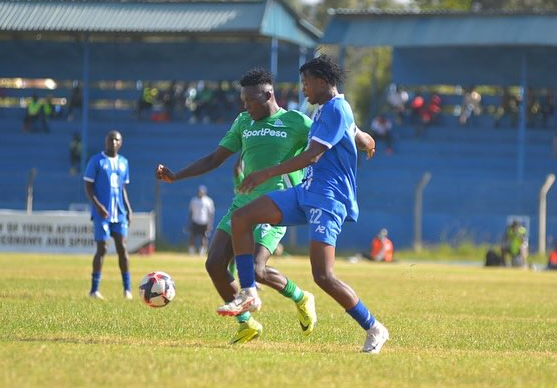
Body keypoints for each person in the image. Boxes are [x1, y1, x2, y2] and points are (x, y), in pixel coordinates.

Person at [218, 55, 389, 354]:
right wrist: (366, 140)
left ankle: (374, 326)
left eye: (306, 83)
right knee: (242, 217)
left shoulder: (336, 108)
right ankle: (248, 293)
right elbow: (356, 134)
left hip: (327, 199)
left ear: (323, 81)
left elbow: (312, 156)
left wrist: (266, 173)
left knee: (323, 276)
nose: (304, 89)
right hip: (305, 192)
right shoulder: (329, 110)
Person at [156, 68, 320, 345]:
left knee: (256, 270)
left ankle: (301, 297)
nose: (246, 106)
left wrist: (360, 139)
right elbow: (214, 159)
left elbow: (326, 142)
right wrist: (176, 175)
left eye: (251, 101)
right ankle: (246, 324)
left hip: (274, 205)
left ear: (268, 95)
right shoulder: (244, 122)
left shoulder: (296, 122)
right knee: (214, 263)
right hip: (242, 205)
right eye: (243, 101)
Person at [83, 130, 133, 300]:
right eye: (110, 139)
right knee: (102, 248)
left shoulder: (124, 162)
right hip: (101, 213)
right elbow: (88, 186)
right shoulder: (96, 161)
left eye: (116, 140)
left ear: (121, 143)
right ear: (105, 141)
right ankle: (94, 290)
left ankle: (127, 290)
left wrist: (128, 208)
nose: (113, 142)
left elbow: (122, 189)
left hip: (119, 213)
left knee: (122, 248)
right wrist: (97, 206)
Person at [186, 185, 215, 256]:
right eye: (199, 191)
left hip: (204, 222)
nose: (200, 193)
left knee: (203, 238)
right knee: (192, 237)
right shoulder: (193, 200)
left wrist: (210, 224)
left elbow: (211, 213)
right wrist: (189, 222)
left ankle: (201, 253)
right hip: (195, 221)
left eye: (202, 192)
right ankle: (191, 253)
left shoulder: (208, 201)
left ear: (205, 192)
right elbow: (191, 212)